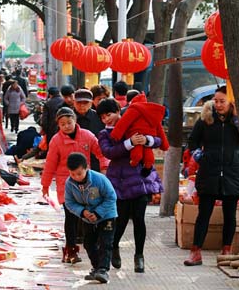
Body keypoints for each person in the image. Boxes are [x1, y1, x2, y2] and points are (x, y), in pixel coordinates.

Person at [96, 98, 163, 273]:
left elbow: (158, 139)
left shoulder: (135, 123)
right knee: (121, 219)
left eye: (109, 114)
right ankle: (114, 246)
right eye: (102, 117)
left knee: (140, 218)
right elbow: (109, 152)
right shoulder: (104, 134)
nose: (107, 119)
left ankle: (139, 256)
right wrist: (130, 143)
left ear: (118, 111)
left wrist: (146, 140)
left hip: (141, 178)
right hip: (120, 181)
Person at [41, 107, 109, 264]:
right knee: (70, 217)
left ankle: (92, 246)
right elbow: (50, 164)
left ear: (75, 121)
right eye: (62, 124)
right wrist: (45, 185)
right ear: (58, 125)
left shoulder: (87, 136)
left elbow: (101, 153)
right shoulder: (56, 141)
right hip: (66, 184)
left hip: (87, 182)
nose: (66, 126)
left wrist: (105, 167)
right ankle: (70, 249)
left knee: (89, 215)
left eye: (69, 122)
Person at [184, 85, 239, 266]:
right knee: (204, 214)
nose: (218, 105)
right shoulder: (206, 119)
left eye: (222, 101)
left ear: (230, 101)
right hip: (208, 172)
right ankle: (195, 252)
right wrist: (198, 155)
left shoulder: (238, 121)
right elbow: (192, 141)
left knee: (230, 215)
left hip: (232, 173)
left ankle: (226, 251)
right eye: (215, 101)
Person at [64, 152, 117, 284]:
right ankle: (96, 267)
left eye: (79, 174)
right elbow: (69, 203)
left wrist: (98, 213)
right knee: (88, 243)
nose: (76, 177)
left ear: (86, 168)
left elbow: (111, 197)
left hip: (107, 215)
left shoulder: (99, 179)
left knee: (106, 242)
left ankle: (103, 270)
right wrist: (82, 212)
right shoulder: (69, 184)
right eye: (72, 174)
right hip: (87, 218)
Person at [110, 93, 169, 177]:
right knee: (148, 152)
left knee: (137, 151)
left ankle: (135, 161)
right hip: (149, 136)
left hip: (136, 135)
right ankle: (148, 165)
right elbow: (160, 131)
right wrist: (164, 145)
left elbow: (124, 123)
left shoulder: (134, 109)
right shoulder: (152, 112)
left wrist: (116, 134)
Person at [73, 88, 105, 171]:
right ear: (74, 102)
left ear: (91, 103)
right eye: (79, 102)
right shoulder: (68, 118)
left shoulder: (99, 117)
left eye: (85, 103)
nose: (82, 105)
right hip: (73, 159)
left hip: (95, 159)